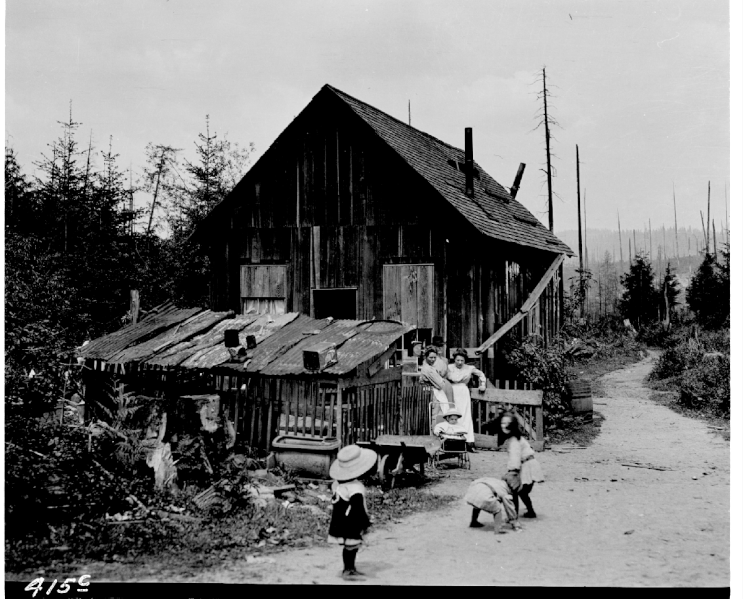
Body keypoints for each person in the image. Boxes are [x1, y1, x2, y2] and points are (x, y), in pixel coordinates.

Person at [327, 444, 378, 579]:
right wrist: (365, 522)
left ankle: (349, 568)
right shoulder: (356, 487)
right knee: (352, 545)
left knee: (349, 546)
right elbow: (357, 507)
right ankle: (348, 570)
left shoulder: (337, 484)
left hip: (339, 519)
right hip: (351, 520)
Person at [501, 412, 544, 519]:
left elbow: (514, 458)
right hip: (527, 465)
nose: (504, 426)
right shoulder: (515, 438)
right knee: (521, 491)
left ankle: (515, 514)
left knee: (516, 490)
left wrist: (511, 472)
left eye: (507, 423)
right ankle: (529, 511)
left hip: (528, 466)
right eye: (502, 423)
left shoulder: (514, 440)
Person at [445, 348, 486, 452]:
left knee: (465, 416)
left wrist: (482, 385)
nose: (459, 362)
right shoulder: (448, 367)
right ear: (454, 359)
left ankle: (469, 443)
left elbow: (481, 375)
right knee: (452, 415)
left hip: (463, 392)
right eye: (457, 360)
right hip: (451, 391)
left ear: (465, 360)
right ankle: (452, 442)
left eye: (462, 360)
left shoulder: (469, 368)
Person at [420, 346, 455, 413]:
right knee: (435, 413)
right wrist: (441, 381)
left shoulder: (432, 367)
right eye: (430, 357)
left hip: (434, 391)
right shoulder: (428, 369)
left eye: (434, 358)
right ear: (426, 357)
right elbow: (440, 385)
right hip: (434, 393)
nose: (433, 359)